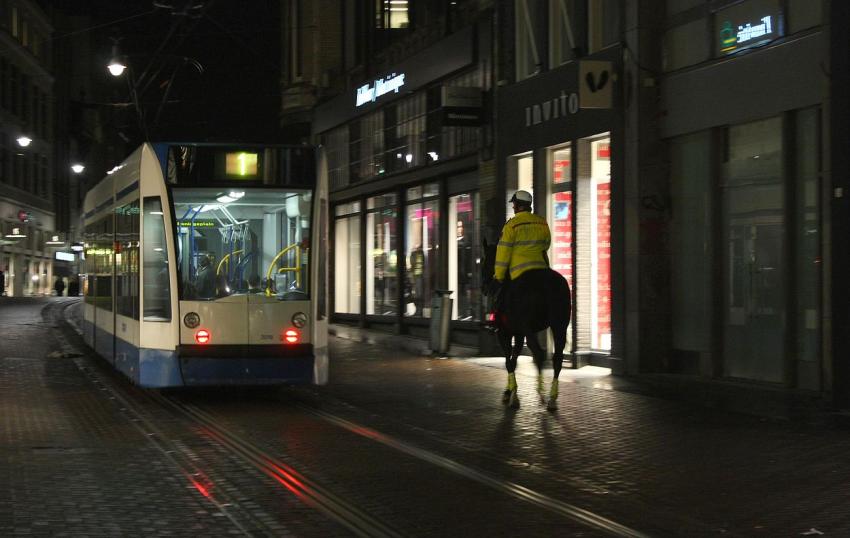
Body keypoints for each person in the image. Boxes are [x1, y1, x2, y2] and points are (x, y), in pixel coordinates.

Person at [486, 190, 551, 330]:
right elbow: (546, 245)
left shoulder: (511, 225)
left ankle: (494, 322)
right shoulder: (542, 223)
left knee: (497, 296)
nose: (513, 207)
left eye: (514, 204)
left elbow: (503, 253)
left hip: (518, 273)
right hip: (542, 270)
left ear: (519, 205)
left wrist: (498, 277)